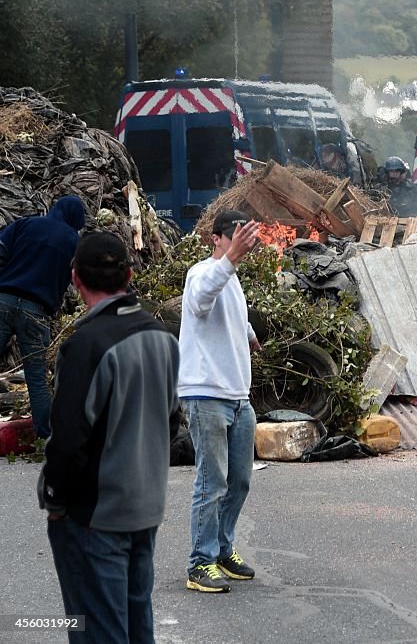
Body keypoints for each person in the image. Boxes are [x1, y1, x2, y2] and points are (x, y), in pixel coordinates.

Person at [39, 231, 179, 642]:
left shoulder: (85, 346)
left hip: (94, 516)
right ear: (130, 275)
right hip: (145, 508)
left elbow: (68, 440)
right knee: (138, 626)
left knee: (98, 631)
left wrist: (56, 501)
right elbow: (170, 422)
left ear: (75, 279)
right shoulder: (163, 338)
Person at [182, 210, 263, 593]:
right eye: (234, 235)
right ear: (216, 238)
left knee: (240, 481)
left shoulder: (232, 280)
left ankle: (222, 548)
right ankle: (200, 562)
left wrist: (247, 332)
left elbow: (227, 310)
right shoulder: (202, 272)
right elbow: (200, 301)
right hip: (206, 394)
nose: (241, 241)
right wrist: (231, 259)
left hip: (236, 397)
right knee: (211, 481)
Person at [0, 195, 85, 438]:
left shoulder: (26, 224)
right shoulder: (73, 241)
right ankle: (46, 435)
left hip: (3, 300)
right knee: (36, 378)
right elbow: (77, 279)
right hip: (36, 311)